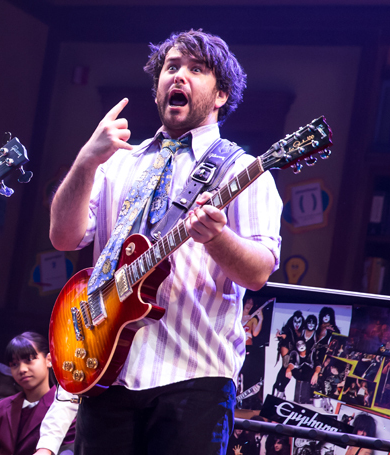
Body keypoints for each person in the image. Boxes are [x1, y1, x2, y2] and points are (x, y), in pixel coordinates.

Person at [47, 29, 282, 455]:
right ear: (157, 89)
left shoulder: (244, 171)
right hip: (107, 368)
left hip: (196, 377)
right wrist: (86, 159)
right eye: (171, 68)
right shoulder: (118, 162)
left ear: (221, 95)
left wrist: (218, 238)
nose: (179, 76)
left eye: (196, 69)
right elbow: (63, 237)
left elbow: (259, 271)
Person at [0, 332, 76, 455]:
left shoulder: (67, 407)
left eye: (29, 360)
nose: (22, 369)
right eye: (14, 364)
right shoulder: (0, 408)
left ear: (49, 360)